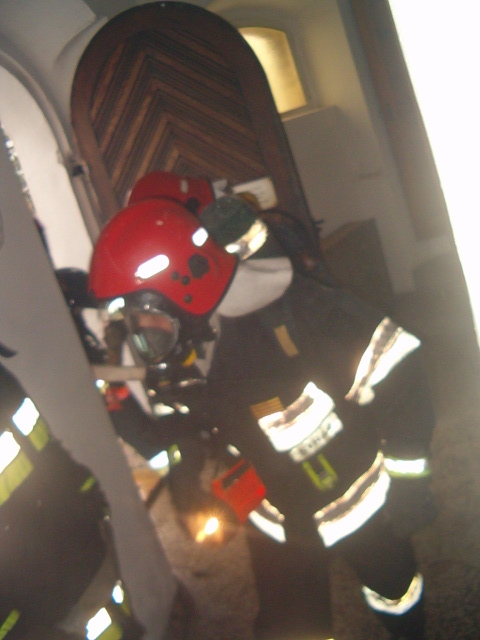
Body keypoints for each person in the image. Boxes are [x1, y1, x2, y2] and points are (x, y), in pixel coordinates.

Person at [87, 196, 437, 640]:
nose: (143, 336)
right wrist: (179, 474)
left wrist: (409, 482)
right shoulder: (186, 356)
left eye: (146, 319)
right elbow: (182, 432)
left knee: (396, 591)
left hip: (362, 502)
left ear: (184, 291)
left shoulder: (299, 312)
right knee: (289, 630)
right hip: (279, 521)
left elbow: (398, 371)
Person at [0, 349, 144, 639]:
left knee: (109, 619)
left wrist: (87, 494)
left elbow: (45, 451)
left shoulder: (4, 385)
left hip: (73, 557)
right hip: (50, 586)